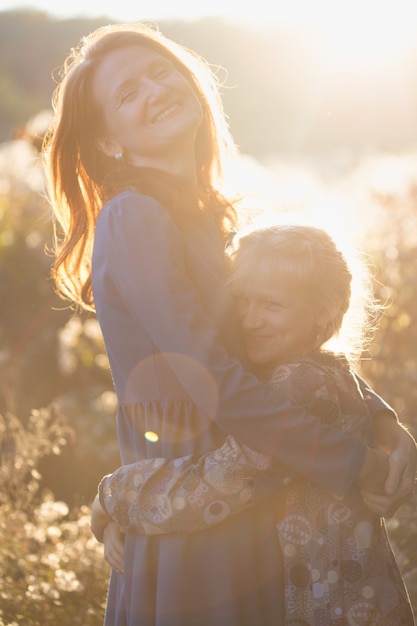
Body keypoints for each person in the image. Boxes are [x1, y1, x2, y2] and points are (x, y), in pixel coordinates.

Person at [42, 22, 416, 626]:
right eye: (128, 93)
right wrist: (356, 462)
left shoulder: (212, 223)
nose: (153, 89)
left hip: (256, 506)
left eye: (160, 72)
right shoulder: (134, 218)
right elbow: (215, 382)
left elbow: (291, 346)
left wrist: (383, 422)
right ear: (108, 143)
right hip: (196, 526)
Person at [91, 224, 414, 624]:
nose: (249, 320)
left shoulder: (300, 383)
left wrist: (114, 496)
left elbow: (220, 481)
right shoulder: (325, 372)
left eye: (271, 306)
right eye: (240, 300)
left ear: (326, 308)